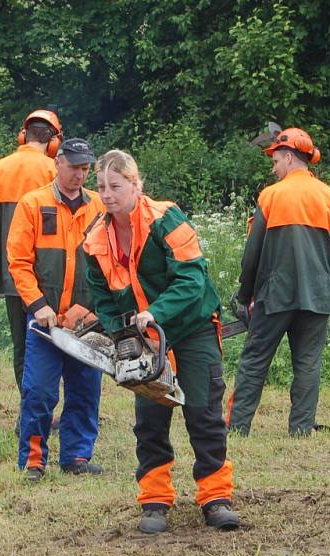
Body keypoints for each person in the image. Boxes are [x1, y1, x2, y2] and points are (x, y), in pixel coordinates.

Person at [83, 149, 239, 533]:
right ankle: (154, 500)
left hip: (192, 324)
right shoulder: (95, 238)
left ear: (136, 185)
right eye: (101, 186)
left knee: (202, 411)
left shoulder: (166, 218)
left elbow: (192, 279)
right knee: (150, 417)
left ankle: (215, 498)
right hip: (143, 333)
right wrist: (121, 333)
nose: (106, 194)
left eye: (115, 186)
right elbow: (101, 295)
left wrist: (156, 313)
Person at [226, 127, 330, 436]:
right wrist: (324, 287)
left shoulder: (271, 196)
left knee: (254, 360)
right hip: (317, 295)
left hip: (275, 294)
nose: (273, 168)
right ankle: (301, 428)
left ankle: (237, 428)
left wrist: (244, 295)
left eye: (275, 161)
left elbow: (252, 255)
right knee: (308, 364)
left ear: (290, 158)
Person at [7, 137, 105, 482]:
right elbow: (18, 263)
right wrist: (39, 307)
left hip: (87, 323)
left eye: (85, 168)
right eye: (74, 166)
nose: (79, 174)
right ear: (58, 163)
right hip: (45, 321)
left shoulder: (99, 207)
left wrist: (94, 310)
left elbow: (111, 266)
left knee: (85, 390)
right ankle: (33, 462)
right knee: (39, 391)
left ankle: (77, 457)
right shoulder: (33, 204)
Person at [0, 109, 61, 396]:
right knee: (57, 341)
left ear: (23, 135)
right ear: (54, 143)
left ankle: (30, 409)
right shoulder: (54, 170)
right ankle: (54, 407)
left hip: (13, 276)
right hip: (50, 276)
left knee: (22, 345)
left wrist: (7, 254)